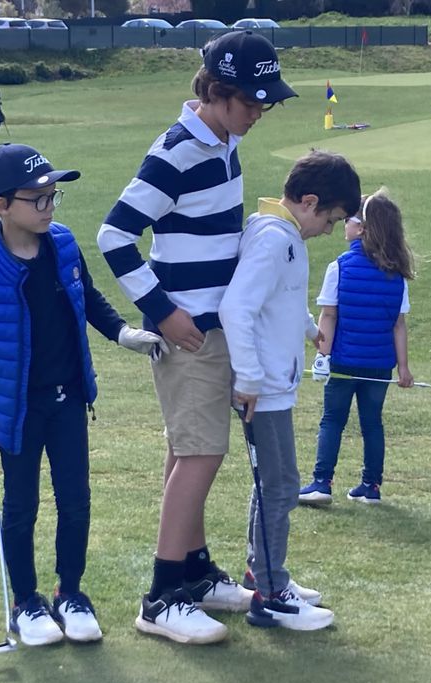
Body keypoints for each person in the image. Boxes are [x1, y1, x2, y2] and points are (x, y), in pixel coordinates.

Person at [97, 30, 297, 644]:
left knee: (190, 454)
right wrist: (161, 312)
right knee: (200, 456)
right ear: (216, 93)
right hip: (189, 335)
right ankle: (161, 598)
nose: (259, 112)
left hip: (213, 329)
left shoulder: (225, 141)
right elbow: (115, 235)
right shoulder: (178, 151)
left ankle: (194, 571)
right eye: (251, 102)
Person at [0, 143, 165, 646]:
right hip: (17, 409)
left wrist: (121, 333)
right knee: (22, 505)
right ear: (1, 205)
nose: (48, 208)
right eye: (38, 199)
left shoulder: (63, 245)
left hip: (69, 398)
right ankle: (26, 600)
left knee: (76, 500)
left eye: (53, 197)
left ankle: (70, 591)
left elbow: (86, 297)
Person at [220, 150, 360, 630]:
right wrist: (250, 379)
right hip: (264, 388)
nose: (328, 230)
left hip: (275, 383)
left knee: (276, 485)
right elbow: (237, 308)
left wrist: (306, 328)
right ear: (309, 201)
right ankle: (270, 591)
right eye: (331, 219)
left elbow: (281, 297)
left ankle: (264, 571)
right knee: (279, 487)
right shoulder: (273, 238)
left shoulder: (283, 237)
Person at [299, 188, 417, 507]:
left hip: (344, 362)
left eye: (349, 220)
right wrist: (403, 368)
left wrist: (322, 356)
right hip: (379, 365)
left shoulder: (340, 267)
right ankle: (371, 486)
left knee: (332, 420)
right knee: (372, 422)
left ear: (362, 228)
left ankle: (322, 482)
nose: (343, 225)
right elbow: (398, 325)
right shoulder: (396, 274)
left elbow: (329, 315)